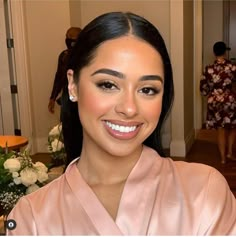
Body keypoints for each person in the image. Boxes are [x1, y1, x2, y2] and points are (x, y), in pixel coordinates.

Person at [7, 12, 236, 235]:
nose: (129, 108)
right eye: (108, 84)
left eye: (147, 89)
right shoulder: (31, 217)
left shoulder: (204, 191)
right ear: (73, 85)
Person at [48, 27, 82, 166]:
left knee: (80, 133)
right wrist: (52, 97)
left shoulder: (85, 55)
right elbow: (59, 77)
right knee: (67, 131)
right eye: (68, 36)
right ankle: (70, 163)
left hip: (81, 100)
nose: (70, 40)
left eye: (74, 37)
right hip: (67, 100)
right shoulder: (63, 56)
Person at [200, 41, 236, 164]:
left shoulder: (209, 69)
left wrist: (212, 93)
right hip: (230, 101)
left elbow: (203, 89)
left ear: (214, 53)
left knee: (221, 129)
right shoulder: (232, 67)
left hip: (215, 102)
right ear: (225, 52)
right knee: (232, 127)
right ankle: (230, 153)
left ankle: (222, 159)